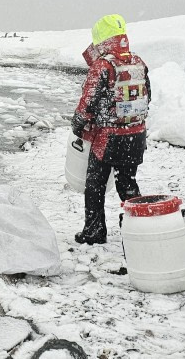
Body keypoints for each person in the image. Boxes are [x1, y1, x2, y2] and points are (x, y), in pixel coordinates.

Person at [70, 14, 151, 244]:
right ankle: (141, 228)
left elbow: (88, 101)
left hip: (108, 139)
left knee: (95, 183)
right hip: (136, 135)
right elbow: (148, 96)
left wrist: (78, 124)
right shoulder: (137, 62)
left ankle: (94, 231)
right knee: (127, 182)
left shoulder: (103, 66)